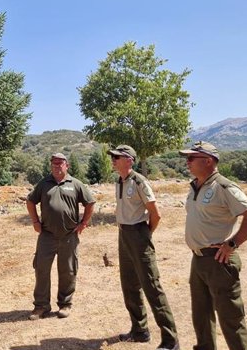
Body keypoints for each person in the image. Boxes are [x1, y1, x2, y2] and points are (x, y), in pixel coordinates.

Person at [180, 141, 247, 350]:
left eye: (191, 158)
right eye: (187, 158)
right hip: (198, 258)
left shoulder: (224, 186)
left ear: (208, 161)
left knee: (230, 317)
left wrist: (231, 244)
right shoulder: (195, 185)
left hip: (218, 260)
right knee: (201, 312)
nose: (187, 162)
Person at [109, 144, 180, 350]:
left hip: (139, 233)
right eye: (112, 157)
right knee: (129, 284)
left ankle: (170, 340)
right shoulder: (119, 181)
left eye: (117, 157)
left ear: (129, 160)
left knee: (151, 287)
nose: (113, 159)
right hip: (124, 234)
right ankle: (139, 331)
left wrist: (145, 234)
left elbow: (155, 214)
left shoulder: (139, 181)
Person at [26, 152, 96, 320]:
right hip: (47, 235)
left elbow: (90, 202)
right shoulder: (43, 184)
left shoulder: (75, 184)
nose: (57, 166)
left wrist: (84, 223)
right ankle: (41, 306)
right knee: (41, 269)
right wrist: (35, 221)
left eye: (60, 163)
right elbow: (30, 201)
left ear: (67, 166)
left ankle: (65, 304)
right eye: (54, 163)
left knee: (68, 271)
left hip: (69, 236)